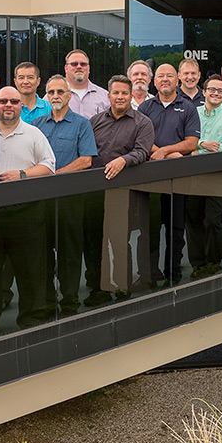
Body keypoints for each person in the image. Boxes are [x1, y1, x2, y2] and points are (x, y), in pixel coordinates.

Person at [0, 86, 55, 336]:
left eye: (14, 101)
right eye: (3, 101)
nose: (8, 105)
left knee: (30, 268)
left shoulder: (33, 133)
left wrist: (22, 175)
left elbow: (49, 165)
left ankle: (31, 317)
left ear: (21, 105)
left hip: (26, 211)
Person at [84, 75, 155, 305]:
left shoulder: (143, 123)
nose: (120, 97)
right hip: (94, 192)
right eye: (116, 93)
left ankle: (122, 285)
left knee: (118, 239)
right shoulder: (94, 121)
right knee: (94, 241)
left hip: (123, 191)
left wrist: (123, 161)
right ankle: (97, 288)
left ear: (131, 94)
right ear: (109, 95)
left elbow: (142, 151)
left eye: (125, 93)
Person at [33, 75, 98, 315]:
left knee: (70, 251)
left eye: (61, 92)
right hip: (41, 200)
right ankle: (48, 300)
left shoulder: (82, 124)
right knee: (43, 252)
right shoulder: (37, 125)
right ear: (46, 96)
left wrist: (55, 174)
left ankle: (70, 300)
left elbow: (86, 160)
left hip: (70, 198)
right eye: (51, 93)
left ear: (69, 95)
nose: (56, 96)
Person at [139, 64, 201, 284]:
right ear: (154, 82)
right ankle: (150, 274)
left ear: (178, 80)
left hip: (177, 178)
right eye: (160, 76)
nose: (165, 80)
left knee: (176, 230)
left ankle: (172, 273)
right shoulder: (145, 108)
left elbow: (192, 142)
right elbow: (141, 141)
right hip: (151, 179)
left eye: (170, 76)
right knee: (151, 229)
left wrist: (165, 151)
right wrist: (165, 153)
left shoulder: (188, 107)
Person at [185, 75, 222, 278]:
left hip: (219, 175)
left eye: (220, 91)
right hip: (194, 176)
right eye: (212, 90)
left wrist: (200, 150)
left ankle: (213, 261)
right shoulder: (192, 112)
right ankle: (197, 264)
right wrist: (201, 144)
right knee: (193, 220)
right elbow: (185, 138)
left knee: (212, 220)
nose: (216, 93)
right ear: (204, 91)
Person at [65, 49, 110, 118]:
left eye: (83, 64)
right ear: (66, 68)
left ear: (88, 68)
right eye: (74, 64)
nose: (79, 67)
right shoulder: (52, 96)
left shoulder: (105, 97)